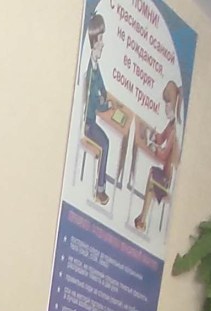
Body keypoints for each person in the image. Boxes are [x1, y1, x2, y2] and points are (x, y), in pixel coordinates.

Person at [134, 80, 181, 233]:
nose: (166, 107)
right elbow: (161, 138)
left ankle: (143, 218)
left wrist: (154, 148)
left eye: (168, 104)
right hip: (164, 173)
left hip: (167, 179)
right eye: (165, 103)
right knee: (152, 174)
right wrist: (153, 135)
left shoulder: (175, 130)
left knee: (153, 177)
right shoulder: (171, 124)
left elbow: (164, 154)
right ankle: (142, 217)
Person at [81, 9, 114, 206]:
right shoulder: (90, 71)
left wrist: (105, 96)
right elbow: (96, 104)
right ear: (94, 42)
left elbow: (102, 87)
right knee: (105, 144)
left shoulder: (95, 67)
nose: (103, 43)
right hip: (87, 124)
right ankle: (100, 190)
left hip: (91, 119)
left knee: (107, 142)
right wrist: (105, 104)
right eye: (100, 39)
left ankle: (100, 187)